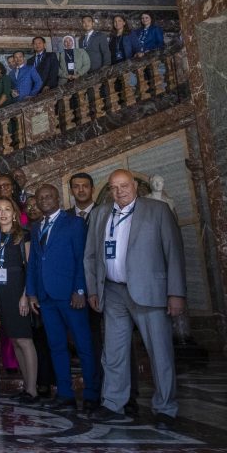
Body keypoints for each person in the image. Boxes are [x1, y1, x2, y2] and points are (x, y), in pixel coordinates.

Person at [85, 170, 185, 429]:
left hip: (150, 291)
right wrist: (94, 290)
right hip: (113, 291)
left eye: (124, 185)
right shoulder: (99, 214)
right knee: (114, 352)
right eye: (114, 187)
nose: (120, 191)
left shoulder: (158, 210)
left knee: (159, 352)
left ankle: (165, 408)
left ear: (135, 186)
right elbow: (92, 256)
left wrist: (176, 292)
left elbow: (174, 251)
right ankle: (112, 403)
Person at [27, 184, 99, 411]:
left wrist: (79, 290)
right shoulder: (36, 227)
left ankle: (91, 394)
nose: (45, 200)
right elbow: (34, 263)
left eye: (49, 196)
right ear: (36, 202)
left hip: (70, 295)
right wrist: (31, 292)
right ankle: (65, 394)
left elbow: (82, 259)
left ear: (58, 198)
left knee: (84, 345)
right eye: (40, 198)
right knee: (56, 345)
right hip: (46, 297)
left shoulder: (74, 223)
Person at [0, 198, 38, 404]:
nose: (3, 213)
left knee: (25, 341)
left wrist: (26, 295)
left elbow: (31, 268)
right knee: (15, 341)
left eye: (7, 209)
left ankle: (33, 390)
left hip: (19, 294)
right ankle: (26, 387)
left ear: (15, 214)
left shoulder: (23, 236)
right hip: (2, 295)